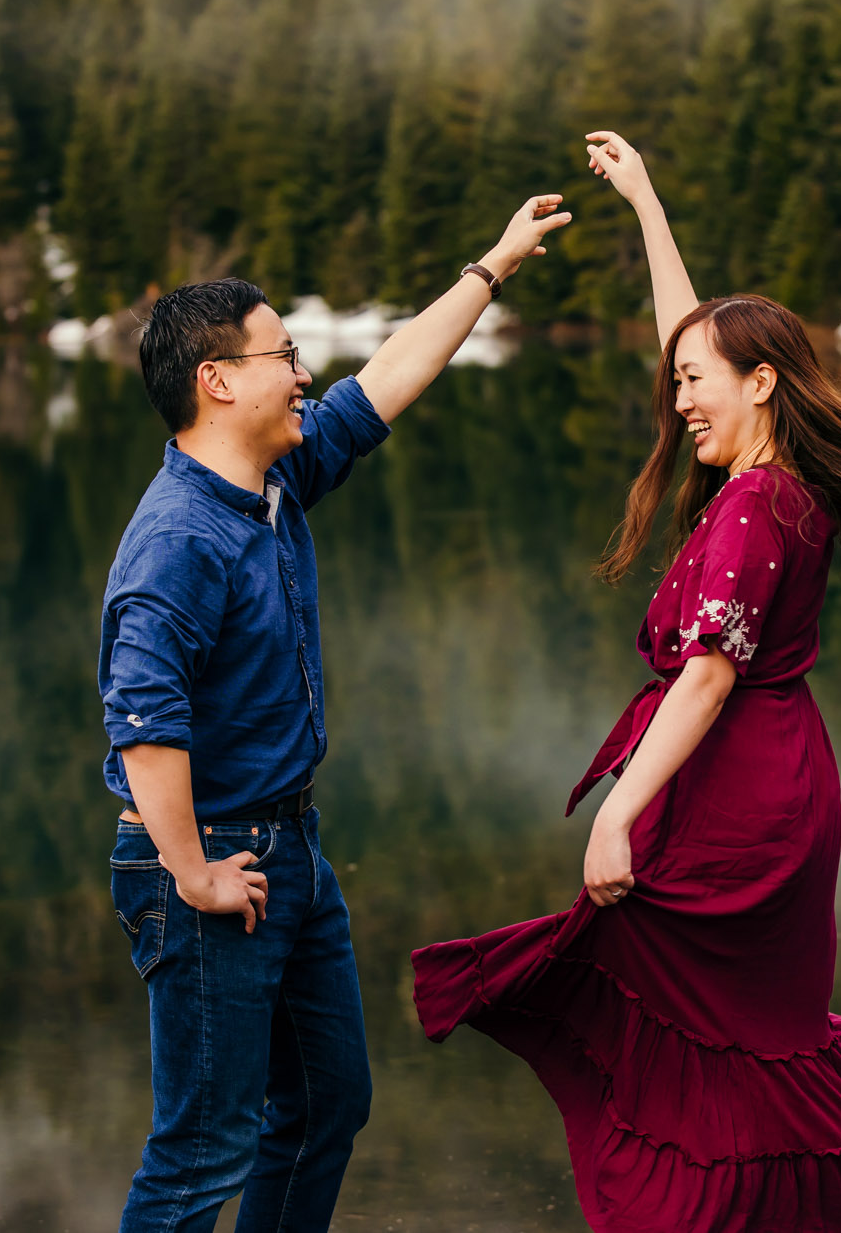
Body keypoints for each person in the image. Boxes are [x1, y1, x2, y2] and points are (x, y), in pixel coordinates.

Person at [410, 133, 841, 1233]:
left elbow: (709, 676)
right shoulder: (779, 480)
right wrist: (645, 204)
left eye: (693, 384)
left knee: (706, 1029)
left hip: (736, 795)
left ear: (760, 382)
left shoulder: (757, 505)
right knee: (717, 1037)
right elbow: (698, 341)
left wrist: (617, 815)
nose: (676, 400)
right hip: (762, 779)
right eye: (674, 380)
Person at [100, 193, 571, 1232]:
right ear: (216, 381)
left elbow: (386, 379)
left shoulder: (272, 480)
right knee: (198, 1151)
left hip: (288, 849)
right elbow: (141, 722)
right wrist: (190, 873)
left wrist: (491, 266)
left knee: (324, 1104)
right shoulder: (176, 536)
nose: (303, 369)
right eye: (281, 353)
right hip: (210, 857)